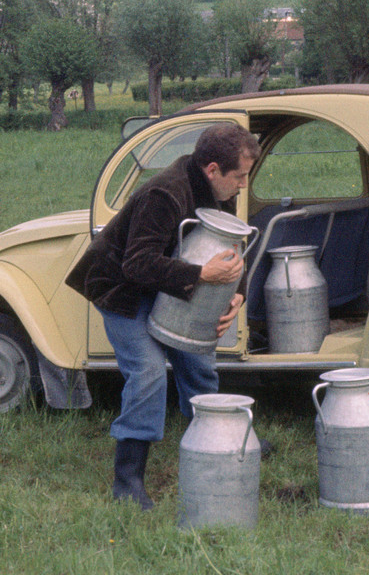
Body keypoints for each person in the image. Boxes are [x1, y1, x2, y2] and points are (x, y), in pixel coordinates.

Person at [65, 122, 260, 510]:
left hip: (165, 283)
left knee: (197, 360)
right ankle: (128, 479)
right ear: (212, 170)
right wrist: (201, 274)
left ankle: (215, 439)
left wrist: (236, 293)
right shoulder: (165, 194)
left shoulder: (217, 190)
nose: (243, 185)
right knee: (149, 372)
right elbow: (136, 264)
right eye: (239, 176)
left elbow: (229, 245)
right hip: (121, 288)